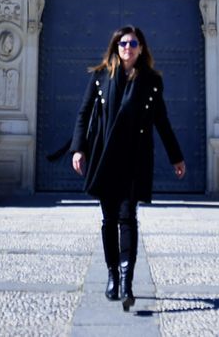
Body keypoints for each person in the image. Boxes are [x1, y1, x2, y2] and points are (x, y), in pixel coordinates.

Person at [69, 24, 185, 313]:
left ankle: (126, 282)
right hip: (104, 155)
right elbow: (84, 113)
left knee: (128, 218)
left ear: (141, 48)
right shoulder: (100, 76)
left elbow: (162, 121)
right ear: (116, 47)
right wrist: (78, 149)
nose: (128, 48)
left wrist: (176, 157)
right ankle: (112, 276)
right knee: (109, 219)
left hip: (135, 157)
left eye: (133, 44)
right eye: (123, 44)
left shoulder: (151, 81)